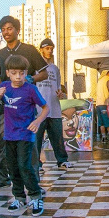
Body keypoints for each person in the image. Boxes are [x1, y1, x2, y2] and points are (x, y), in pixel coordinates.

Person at [0, 15, 47, 193]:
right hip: (5, 103)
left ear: (17, 30)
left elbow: (44, 74)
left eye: (9, 28)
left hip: (25, 104)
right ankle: (2, 179)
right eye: (3, 29)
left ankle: (34, 183)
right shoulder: (0, 54)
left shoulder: (29, 50)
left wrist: (30, 78)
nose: (6, 32)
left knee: (30, 143)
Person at [0, 54, 48, 216]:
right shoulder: (4, 87)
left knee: (25, 166)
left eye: (21, 73)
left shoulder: (30, 89)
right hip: (9, 135)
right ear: (8, 73)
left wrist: (37, 121)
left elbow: (45, 108)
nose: (18, 77)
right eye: (14, 73)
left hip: (25, 135)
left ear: (26, 73)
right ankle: (19, 197)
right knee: (13, 168)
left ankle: (36, 196)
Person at [35, 38, 71, 170]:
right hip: (39, 109)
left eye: (51, 48)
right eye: (46, 48)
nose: (49, 51)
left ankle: (62, 160)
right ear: (41, 50)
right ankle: (37, 163)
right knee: (37, 139)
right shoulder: (35, 68)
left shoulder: (55, 69)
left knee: (57, 138)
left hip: (54, 108)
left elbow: (58, 88)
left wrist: (61, 94)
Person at [95, 68, 109, 144]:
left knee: (101, 122)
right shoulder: (108, 79)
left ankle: (103, 137)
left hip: (98, 103)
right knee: (107, 121)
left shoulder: (100, 80)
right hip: (105, 103)